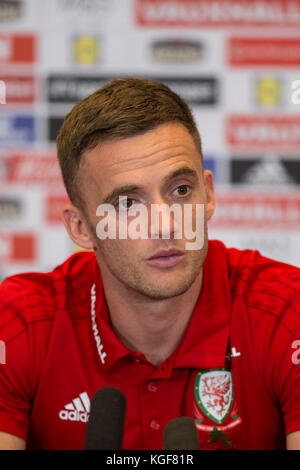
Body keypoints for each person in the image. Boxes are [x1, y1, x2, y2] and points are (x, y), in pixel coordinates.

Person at [0, 77, 300, 450]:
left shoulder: (287, 311)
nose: (166, 225)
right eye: (127, 204)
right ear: (81, 228)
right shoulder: (20, 323)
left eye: (180, 190)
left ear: (208, 196)